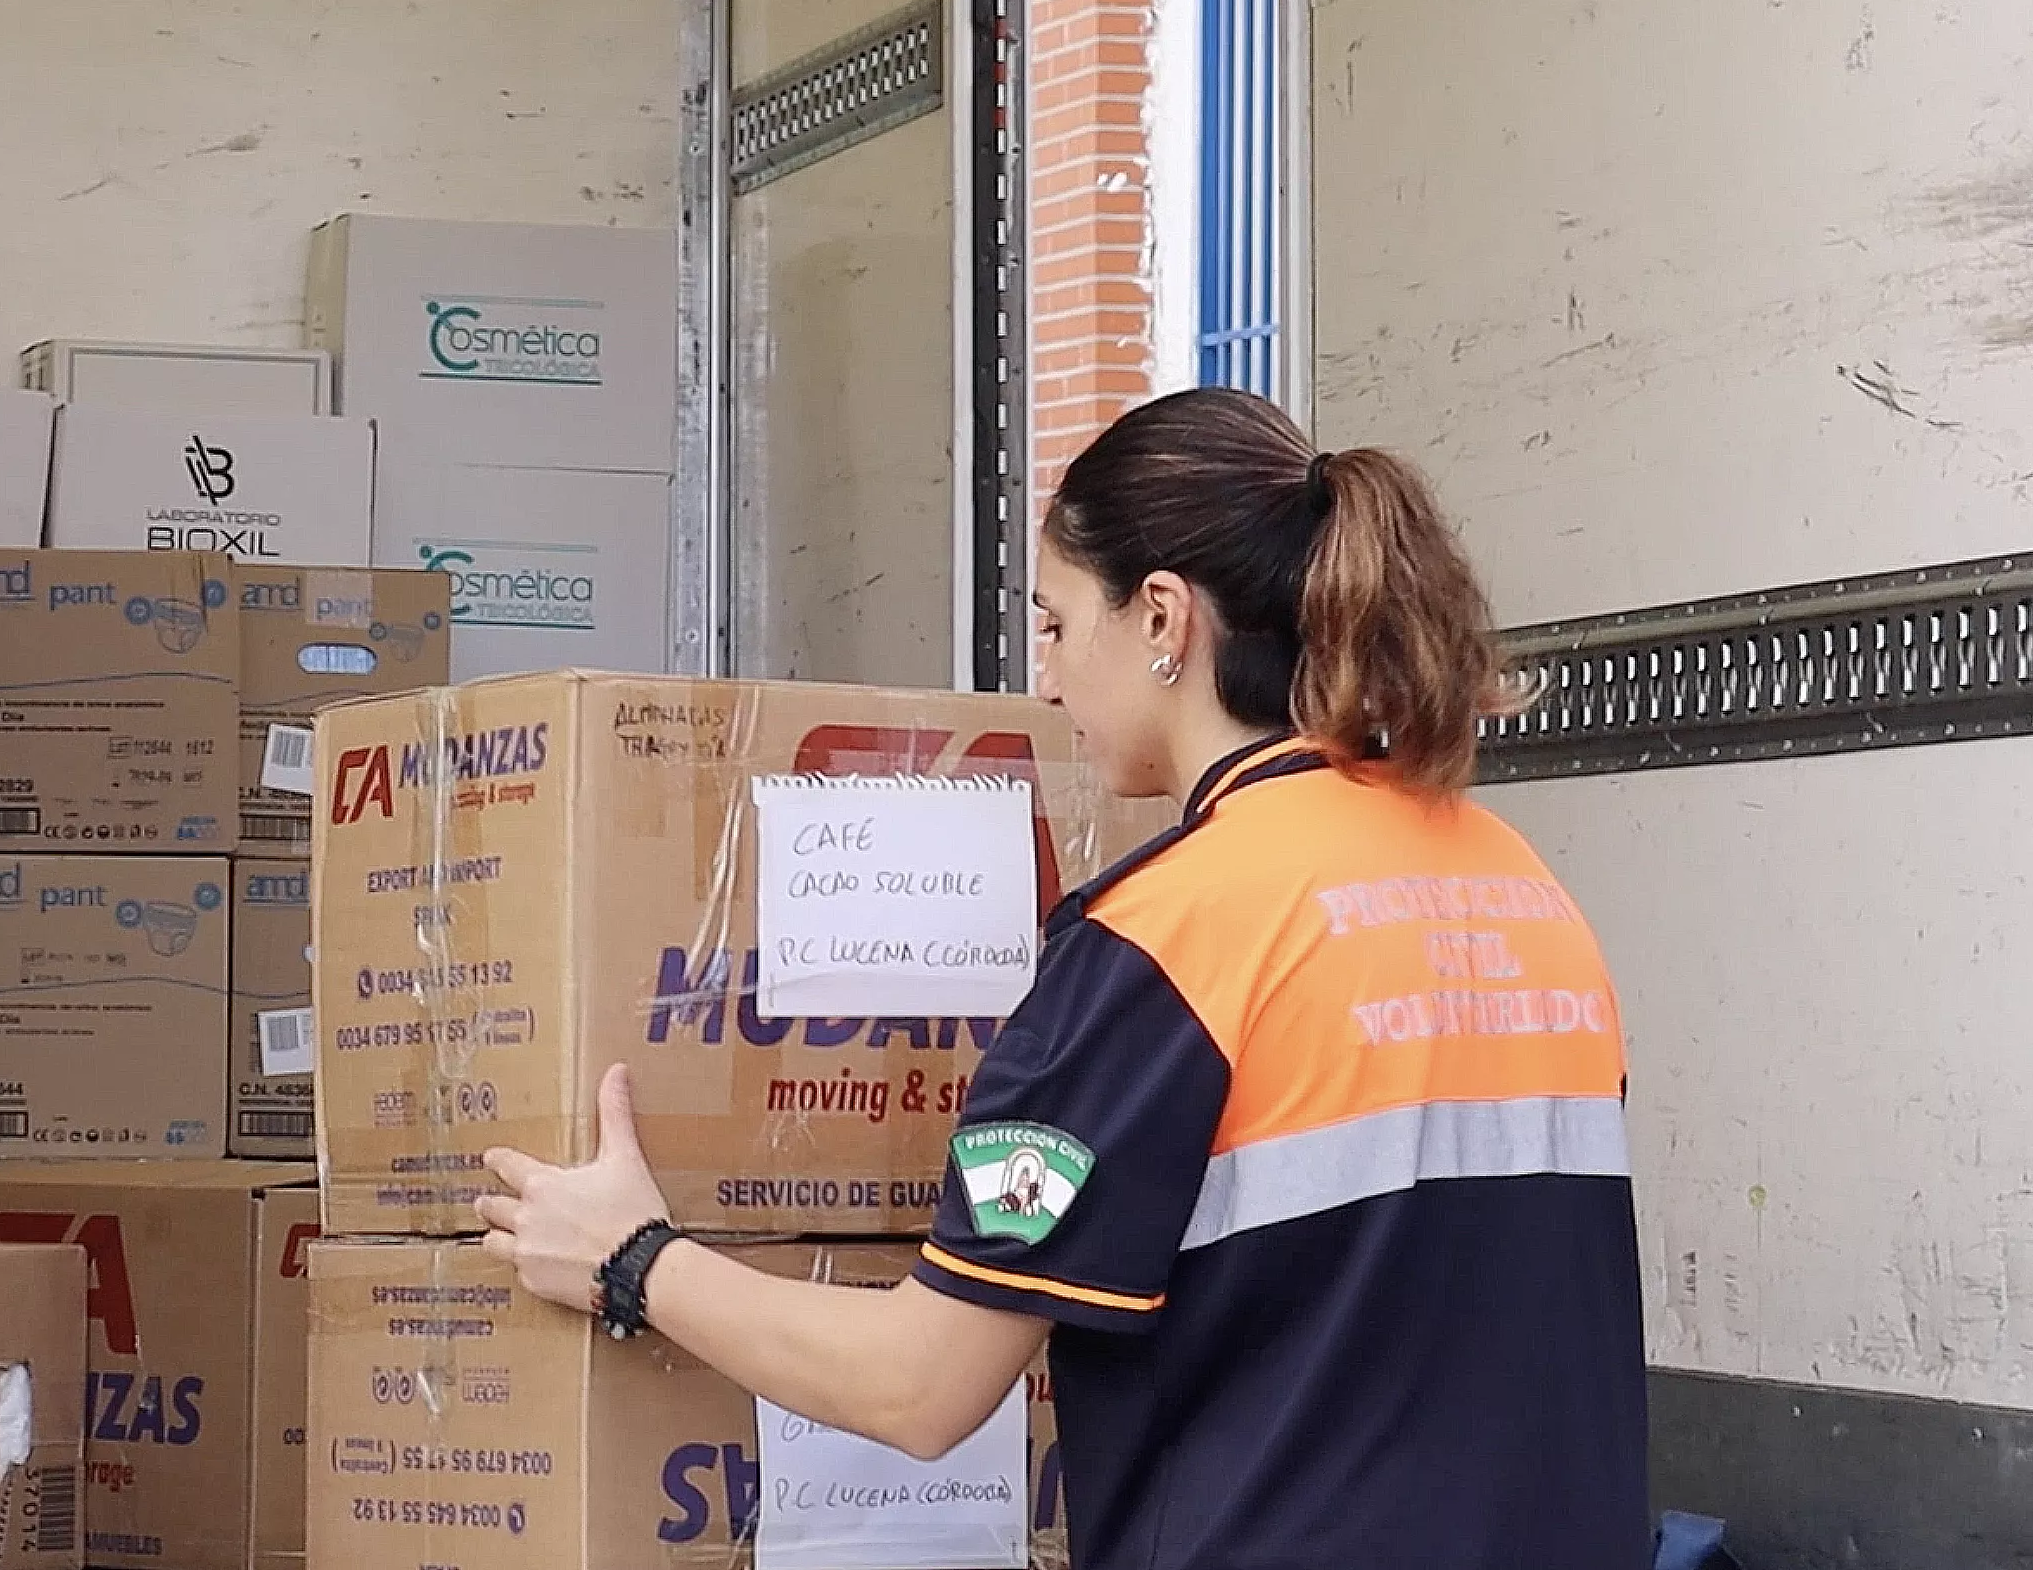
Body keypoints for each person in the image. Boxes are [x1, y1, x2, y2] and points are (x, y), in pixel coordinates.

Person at [478, 387, 1648, 1567]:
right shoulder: (1519, 889)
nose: (1043, 681)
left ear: (1160, 619)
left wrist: (629, 1256)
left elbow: (920, 1387)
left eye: (1051, 622)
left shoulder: (1167, 938)